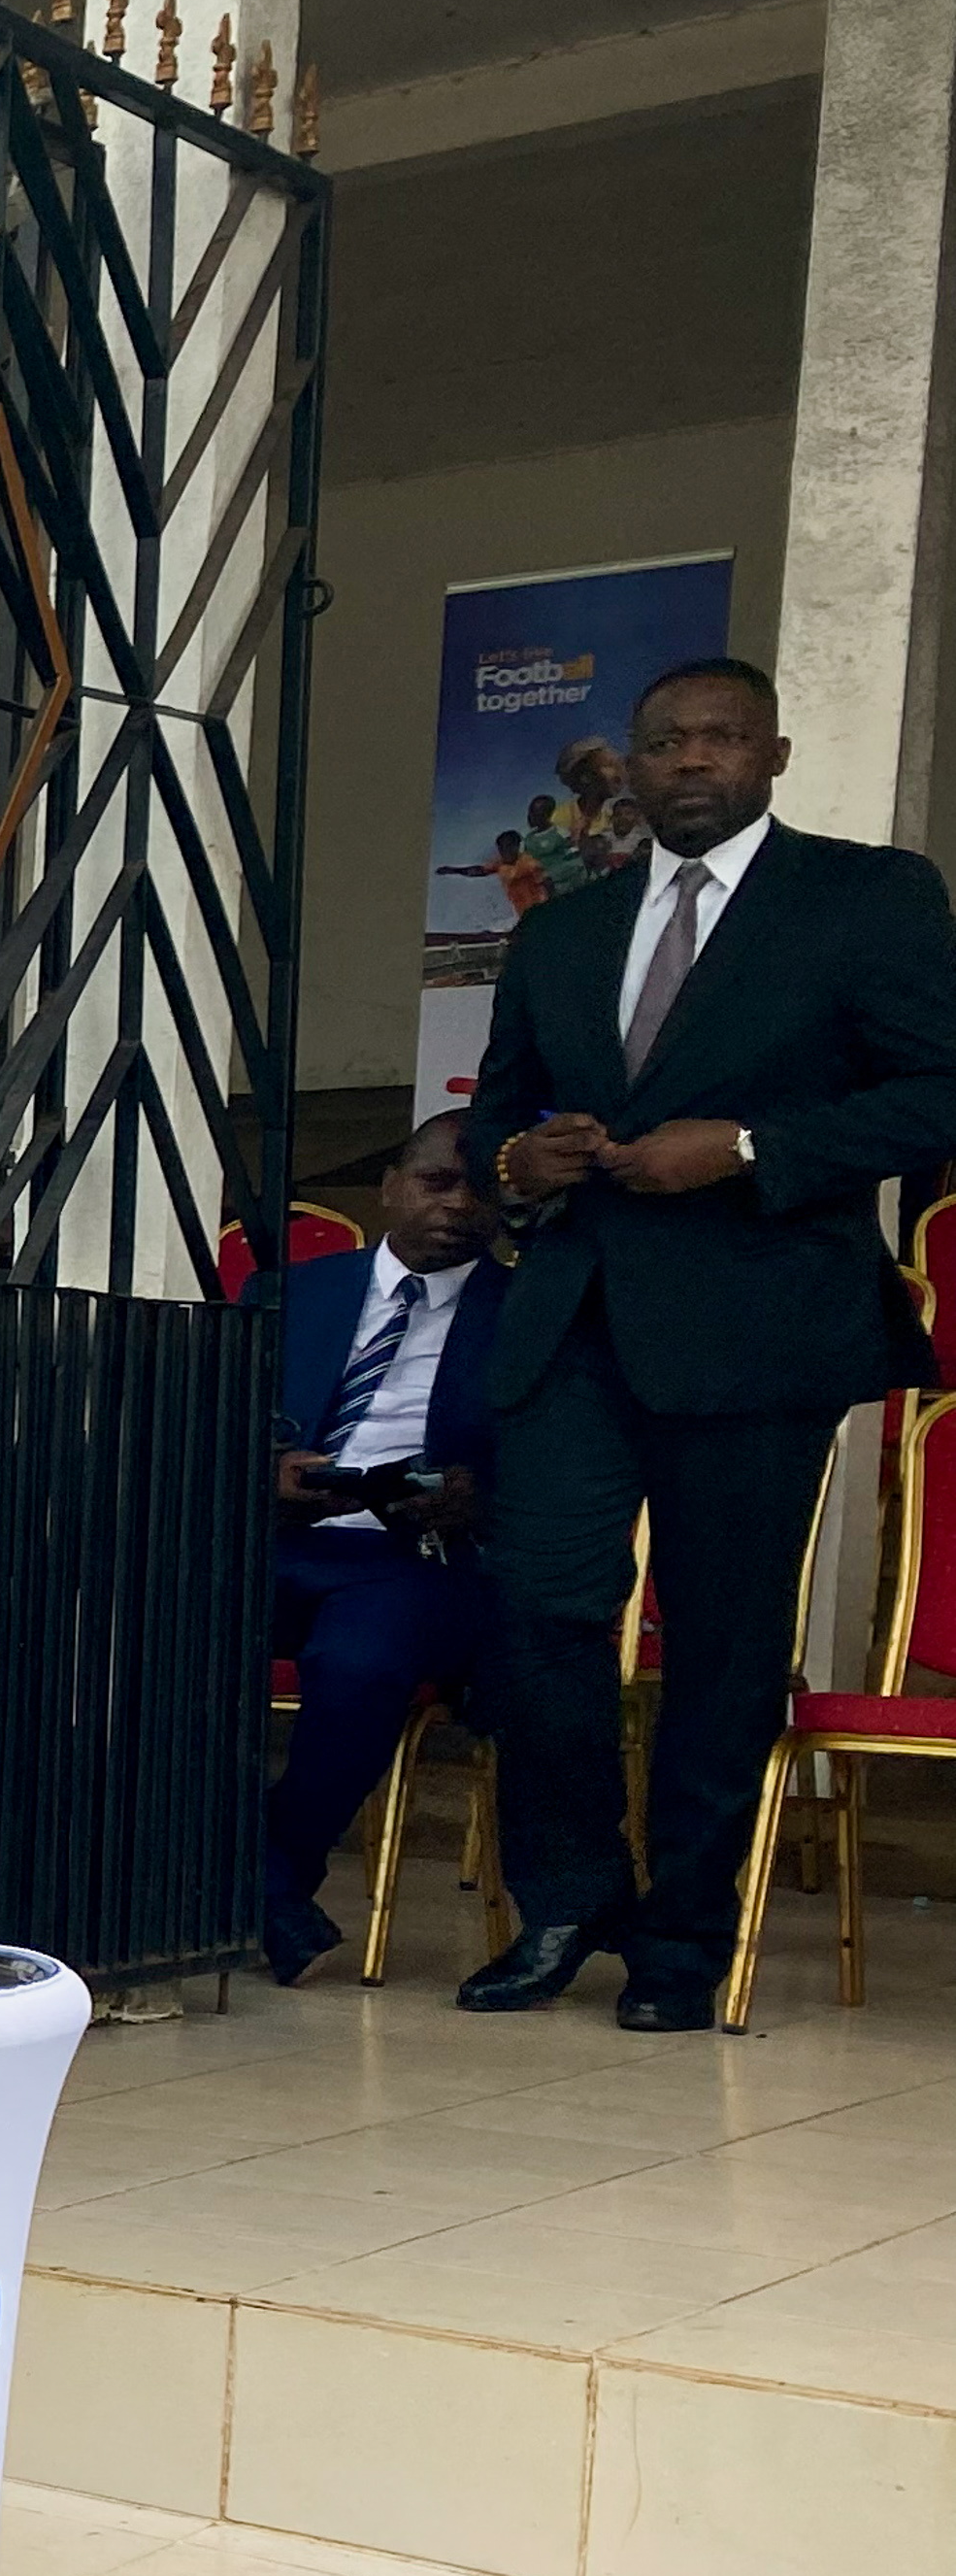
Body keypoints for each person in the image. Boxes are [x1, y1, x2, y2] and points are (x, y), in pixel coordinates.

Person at [462, 655, 956, 2027]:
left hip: (757, 1327)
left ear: (774, 756)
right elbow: (495, 1116)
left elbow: (937, 1093)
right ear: (626, 767)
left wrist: (748, 1145)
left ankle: (684, 1940)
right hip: (573, 1322)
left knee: (726, 1641)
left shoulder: (867, 897)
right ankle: (565, 1901)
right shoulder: (565, 929)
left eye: (721, 740)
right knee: (543, 1613)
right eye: (666, 742)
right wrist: (523, 1154)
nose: (692, 762)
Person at [257, 1118, 503, 1985]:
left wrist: (476, 1492)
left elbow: (547, 1463)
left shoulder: (523, 1314)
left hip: (419, 1555)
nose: (459, 1205)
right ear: (390, 1185)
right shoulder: (292, 1292)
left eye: (479, 1190)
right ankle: (260, 1889)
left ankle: (263, 1879)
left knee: (360, 1663)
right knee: (152, 1637)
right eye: (438, 1182)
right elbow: (207, 1422)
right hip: (282, 1538)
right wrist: (269, 1471)